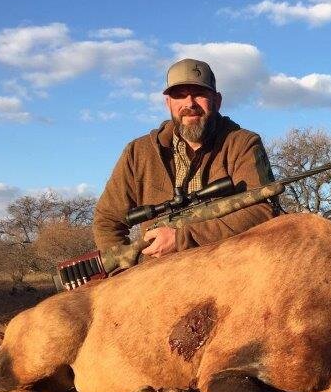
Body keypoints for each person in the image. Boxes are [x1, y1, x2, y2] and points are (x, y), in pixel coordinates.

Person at [93, 58, 277, 258]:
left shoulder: (243, 143)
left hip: (228, 270)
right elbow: (107, 220)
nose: (190, 103)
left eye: (199, 94)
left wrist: (183, 238)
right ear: (168, 103)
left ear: (217, 101)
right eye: (179, 95)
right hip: (158, 277)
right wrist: (124, 275)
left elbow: (263, 211)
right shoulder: (138, 152)